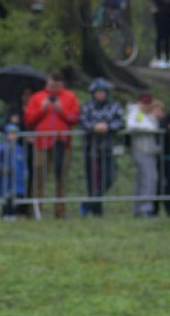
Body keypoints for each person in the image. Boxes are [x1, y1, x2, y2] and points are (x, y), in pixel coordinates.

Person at [24, 72, 80, 219]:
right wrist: (42, 109)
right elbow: (29, 119)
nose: (53, 88)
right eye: (50, 85)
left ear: (61, 84)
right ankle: (36, 209)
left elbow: (75, 118)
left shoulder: (70, 97)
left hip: (62, 142)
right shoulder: (37, 97)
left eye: (56, 85)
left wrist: (62, 111)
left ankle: (60, 211)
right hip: (41, 143)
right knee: (39, 175)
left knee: (61, 176)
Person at [78, 78, 124, 217]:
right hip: (91, 148)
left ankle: (89, 202)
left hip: (108, 147)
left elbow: (121, 122)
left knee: (109, 178)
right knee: (92, 179)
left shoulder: (114, 106)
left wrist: (108, 127)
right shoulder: (87, 106)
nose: (101, 95)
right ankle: (96, 210)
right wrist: (94, 127)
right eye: (98, 92)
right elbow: (82, 121)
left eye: (103, 92)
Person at [125, 93, 162, 218]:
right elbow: (131, 125)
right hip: (140, 151)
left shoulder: (149, 115)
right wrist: (149, 128)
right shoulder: (135, 113)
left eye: (148, 104)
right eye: (144, 103)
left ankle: (140, 209)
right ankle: (145, 209)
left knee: (147, 180)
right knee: (148, 180)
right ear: (139, 103)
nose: (146, 106)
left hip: (150, 152)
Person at [0, 123, 27, 219]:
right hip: (6, 177)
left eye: (14, 134)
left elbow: (23, 163)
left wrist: (25, 173)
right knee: (6, 196)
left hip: (17, 178)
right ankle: (5, 212)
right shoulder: (2, 148)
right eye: (10, 134)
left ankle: (14, 213)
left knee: (15, 196)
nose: (12, 136)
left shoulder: (20, 149)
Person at [153, 0, 170, 69]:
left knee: (167, 38)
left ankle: (167, 58)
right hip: (160, 16)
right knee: (160, 37)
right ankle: (159, 58)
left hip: (168, 16)